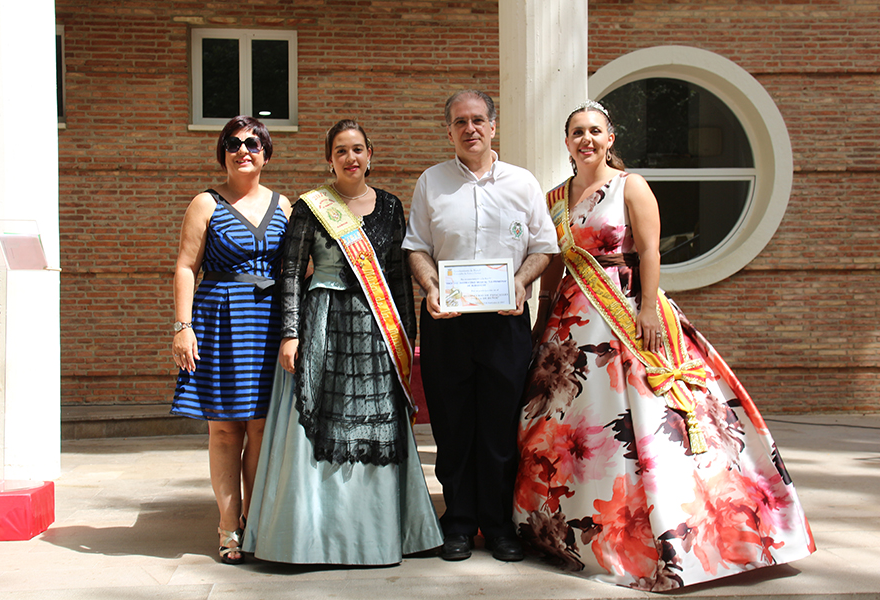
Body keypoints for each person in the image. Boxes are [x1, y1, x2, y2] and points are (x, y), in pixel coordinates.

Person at [513, 100, 816, 590]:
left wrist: (649, 308)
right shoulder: (555, 198)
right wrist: (542, 313)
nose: (586, 139)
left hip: (626, 307)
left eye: (595, 131)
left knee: (647, 421)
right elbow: (554, 263)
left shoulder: (630, 185)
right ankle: (564, 532)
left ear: (610, 138)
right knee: (561, 425)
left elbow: (651, 250)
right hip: (570, 322)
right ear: (566, 142)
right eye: (577, 132)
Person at [241, 119, 443, 565]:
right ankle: (311, 538)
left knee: (375, 423)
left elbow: (397, 277)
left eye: (357, 149)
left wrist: (406, 339)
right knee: (321, 419)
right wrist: (290, 334)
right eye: (341, 151)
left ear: (370, 154)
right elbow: (290, 274)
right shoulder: (311, 207)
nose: (350, 158)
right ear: (329, 160)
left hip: (377, 327)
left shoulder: (390, 206)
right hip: (323, 322)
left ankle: (376, 537)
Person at [403, 90, 559, 562]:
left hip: (504, 323)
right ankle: (457, 523)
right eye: (459, 122)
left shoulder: (523, 183)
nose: (469, 129)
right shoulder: (431, 182)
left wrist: (520, 283)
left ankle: (497, 526)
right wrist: (431, 286)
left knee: (499, 430)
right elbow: (417, 247)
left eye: (477, 120)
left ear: (494, 126)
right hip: (446, 323)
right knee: (452, 430)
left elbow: (543, 247)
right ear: (449, 131)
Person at [170, 116, 292, 565]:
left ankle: (254, 522)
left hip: (268, 325)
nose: (244, 150)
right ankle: (228, 526)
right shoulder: (206, 203)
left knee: (260, 427)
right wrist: (183, 327)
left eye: (253, 143)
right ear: (223, 152)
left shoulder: (284, 206)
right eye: (234, 143)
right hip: (220, 321)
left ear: (266, 154)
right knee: (224, 429)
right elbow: (186, 266)